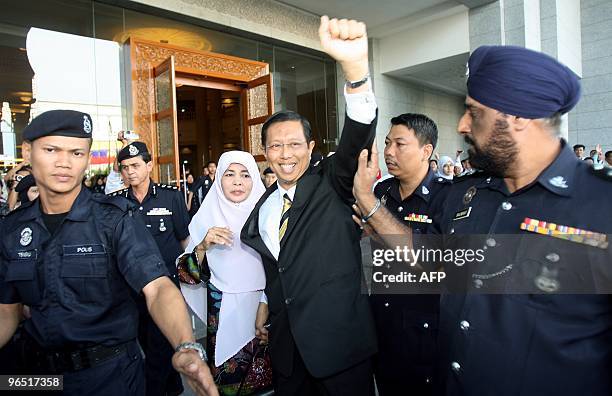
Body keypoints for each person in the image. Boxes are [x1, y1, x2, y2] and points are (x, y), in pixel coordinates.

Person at [354, 44, 612, 396]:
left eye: (474, 113)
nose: (462, 125)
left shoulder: (601, 206)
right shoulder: (465, 196)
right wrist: (371, 205)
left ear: (518, 116)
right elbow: (428, 259)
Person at [0, 110, 217, 396]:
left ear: (87, 160)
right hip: (37, 378)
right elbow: (7, 310)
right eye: (52, 150)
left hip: (108, 376)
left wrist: (186, 345)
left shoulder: (115, 219)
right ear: (28, 152)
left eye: (77, 153)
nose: (64, 163)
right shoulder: (13, 229)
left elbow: (158, 288)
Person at [240, 15, 377, 396]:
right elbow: (280, 267)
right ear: (265, 151)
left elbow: (357, 136)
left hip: (340, 352)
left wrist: (356, 74)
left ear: (311, 148)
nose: (285, 155)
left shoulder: (331, 184)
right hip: (287, 356)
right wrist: (268, 302)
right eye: (276, 146)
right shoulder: (263, 208)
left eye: (295, 144)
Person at [358, 113, 449, 395]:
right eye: (387, 143)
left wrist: (374, 218)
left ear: (426, 150)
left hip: (424, 333)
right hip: (381, 325)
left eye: (399, 144)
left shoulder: (447, 197)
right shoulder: (383, 190)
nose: (388, 152)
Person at [179, 151, 270, 395]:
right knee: (225, 385)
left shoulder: (270, 216)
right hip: (221, 317)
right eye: (229, 174)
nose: (237, 181)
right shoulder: (206, 218)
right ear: (218, 178)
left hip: (267, 318)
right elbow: (184, 273)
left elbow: (288, 270)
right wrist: (203, 246)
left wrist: (268, 304)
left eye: (245, 175)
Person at [111, 141, 191, 396]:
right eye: (124, 168)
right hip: (132, 290)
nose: (130, 172)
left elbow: (184, 240)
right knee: (146, 341)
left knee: (158, 349)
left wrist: (186, 278)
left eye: (135, 165)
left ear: (149, 165)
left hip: (166, 287)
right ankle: (173, 387)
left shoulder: (171, 196)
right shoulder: (114, 203)